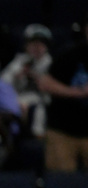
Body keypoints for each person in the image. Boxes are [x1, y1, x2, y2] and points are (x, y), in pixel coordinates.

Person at [38, 16, 88, 172]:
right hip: (63, 130)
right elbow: (45, 83)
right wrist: (79, 92)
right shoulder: (70, 54)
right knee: (62, 185)